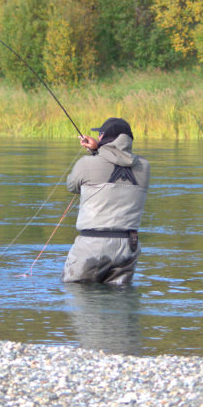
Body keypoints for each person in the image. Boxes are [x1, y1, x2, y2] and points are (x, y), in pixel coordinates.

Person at [61, 117, 150, 284]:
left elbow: (72, 186)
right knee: (119, 304)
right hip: (128, 247)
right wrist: (98, 150)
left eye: (100, 135)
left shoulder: (86, 164)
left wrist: (96, 152)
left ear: (104, 138)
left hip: (92, 245)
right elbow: (118, 164)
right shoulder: (145, 167)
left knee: (78, 293)